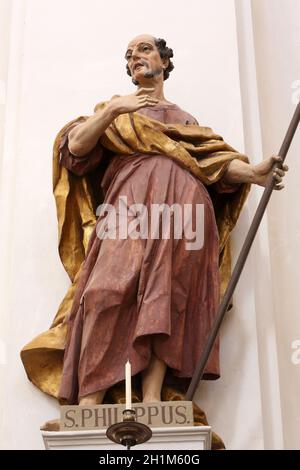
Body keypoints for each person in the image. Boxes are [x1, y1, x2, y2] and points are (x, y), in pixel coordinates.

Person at [21, 34, 288, 410]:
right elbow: (76, 149)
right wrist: (114, 111)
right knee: (103, 291)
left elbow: (212, 161)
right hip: (129, 208)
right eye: (129, 55)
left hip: (185, 210)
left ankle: (152, 398)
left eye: (143, 50)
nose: (134, 58)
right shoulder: (115, 110)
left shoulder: (185, 120)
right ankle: (89, 403)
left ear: (164, 61)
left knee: (168, 295)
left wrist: (255, 174)